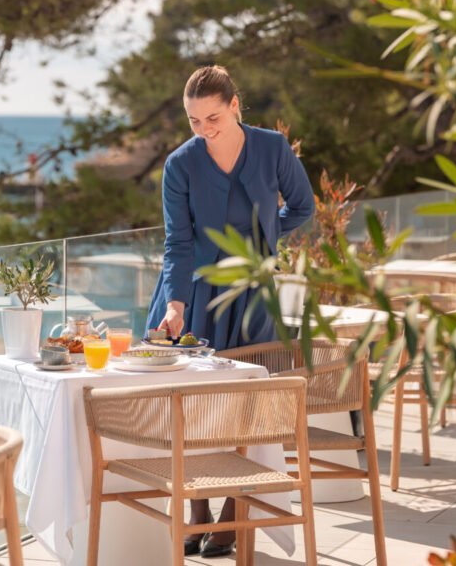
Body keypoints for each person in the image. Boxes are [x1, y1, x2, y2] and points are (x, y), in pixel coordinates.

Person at [146, 65, 315, 558]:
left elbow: (301, 207)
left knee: (243, 408)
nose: (204, 129)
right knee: (191, 407)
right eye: (195, 121)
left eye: (213, 117)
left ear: (236, 105)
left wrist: (260, 246)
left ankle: (235, 509)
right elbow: (176, 241)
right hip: (193, 294)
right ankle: (197, 506)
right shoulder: (180, 164)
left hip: (252, 294)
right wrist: (175, 302)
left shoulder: (272, 149)